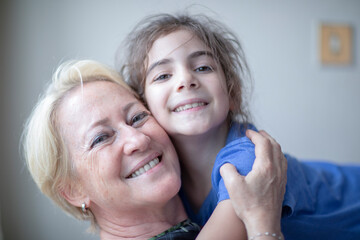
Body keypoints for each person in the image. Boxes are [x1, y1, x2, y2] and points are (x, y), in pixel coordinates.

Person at [119, 12, 360, 239]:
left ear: (232, 93)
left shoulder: (247, 160)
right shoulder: (165, 178)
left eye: (203, 67)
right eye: (162, 75)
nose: (186, 80)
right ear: (145, 108)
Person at [22, 60, 287, 240]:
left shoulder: (211, 195)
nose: (137, 140)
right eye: (101, 138)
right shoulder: (255, 208)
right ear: (73, 189)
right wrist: (263, 224)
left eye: (137, 117)